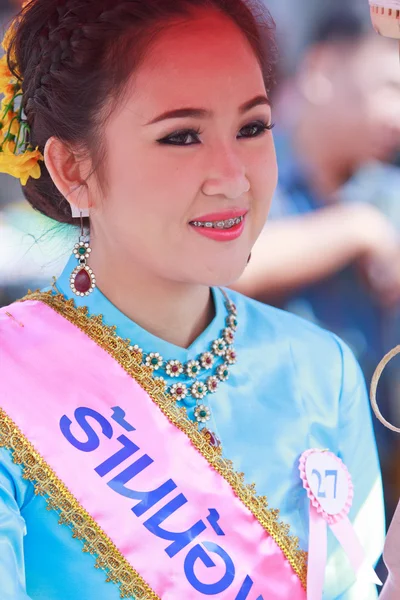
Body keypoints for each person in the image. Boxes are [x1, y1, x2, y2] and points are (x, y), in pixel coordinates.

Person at [0, 1, 384, 599]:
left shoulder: (320, 370)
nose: (233, 177)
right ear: (73, 169)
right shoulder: (11, 378)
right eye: (182, 136)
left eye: (252, 128)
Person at [233, 10, 400, 517]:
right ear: (324, 69)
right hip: (251, 492)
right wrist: (353, 230)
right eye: (390, 86)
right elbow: (212, 271)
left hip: (363, 498)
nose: (397, 115)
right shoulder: (243, 174)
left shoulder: (383, 191)